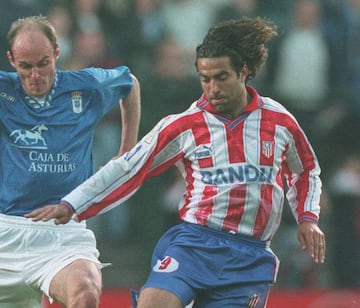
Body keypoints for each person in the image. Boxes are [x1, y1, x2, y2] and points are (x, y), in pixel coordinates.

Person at [27, 17, 326, 308]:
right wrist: (72, 204)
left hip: (248, 258)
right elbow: (128, 168)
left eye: (221, 77)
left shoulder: (279, 121)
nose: (213, 88)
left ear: (243, 72)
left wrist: (307, 218)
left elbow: (306, 170)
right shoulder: (185, 125)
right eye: (205, 79)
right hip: (196, 243)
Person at [0, 15, 140, 308]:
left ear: (56, 53)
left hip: (64, 232)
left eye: (43, 63)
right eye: (25, 66)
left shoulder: (85, 85)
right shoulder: (4, 91)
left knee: (85, 292)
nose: (35, 75)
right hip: (6, 232)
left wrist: (126, 150)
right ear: (11, 60)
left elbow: (130, 83)